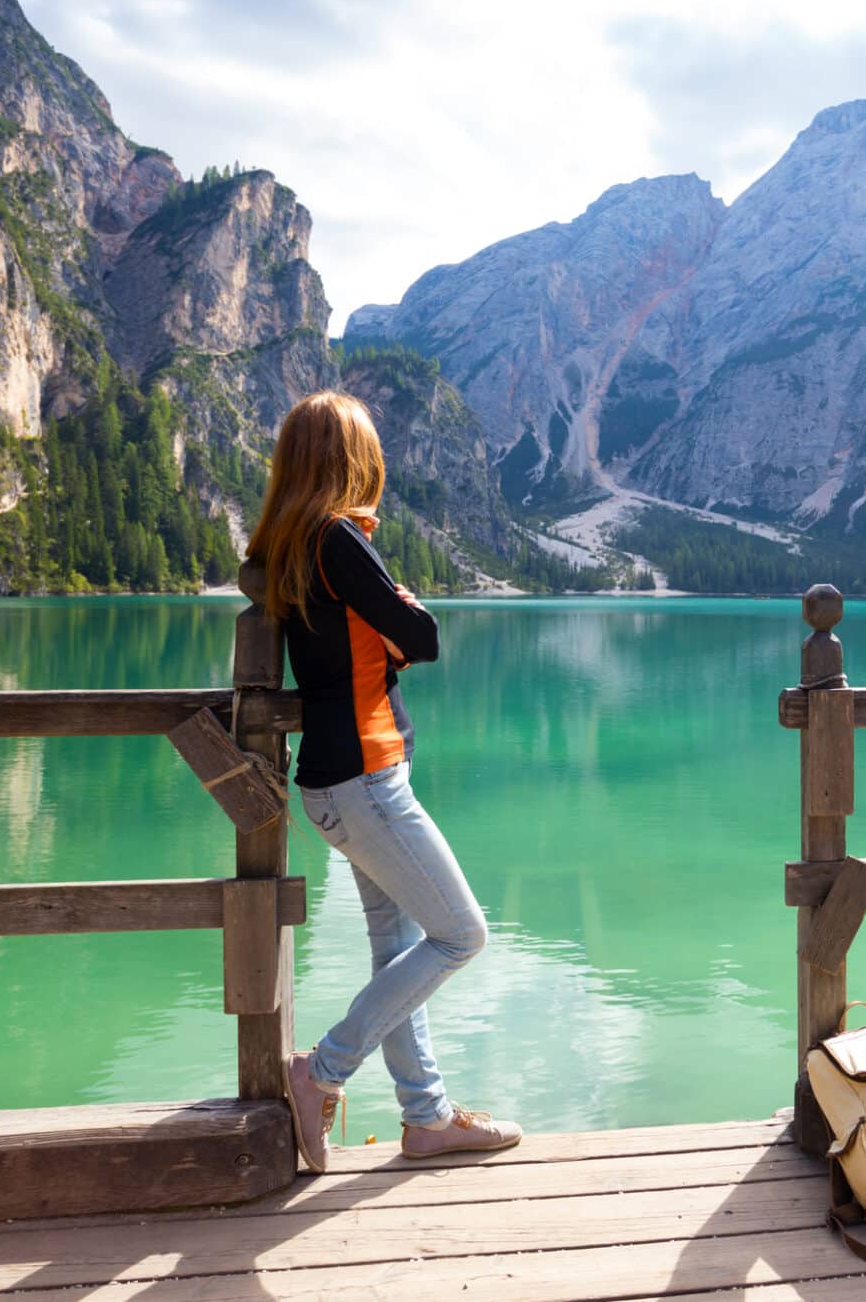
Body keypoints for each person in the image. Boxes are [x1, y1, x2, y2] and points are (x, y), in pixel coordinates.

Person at [245, 390, 521, 1171]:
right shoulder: (337, 537)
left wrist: (386, 631)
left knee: (395, 943)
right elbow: (423, 636)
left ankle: (426, 1116)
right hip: (369, 783)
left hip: (331, 789)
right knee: (462, 933)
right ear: (350, 460)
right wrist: (399, 614)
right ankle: (322, 1071)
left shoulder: (294, 544)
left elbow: (363, 646)